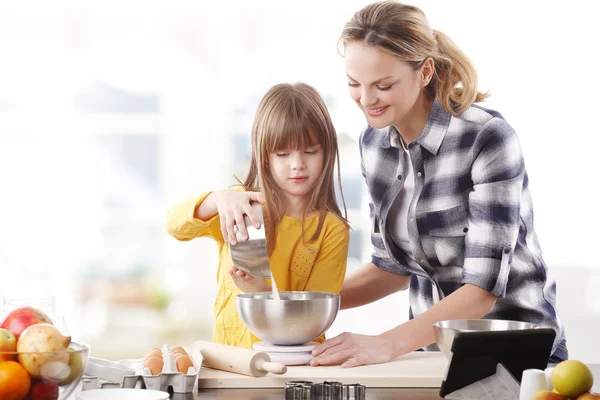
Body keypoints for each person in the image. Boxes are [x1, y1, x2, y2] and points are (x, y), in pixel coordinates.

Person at [310, 0, 566, 368]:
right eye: (354, 84)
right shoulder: (375, 145)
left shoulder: (487, 138)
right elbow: (391, 267)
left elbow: (481, 292)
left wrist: (385, 344)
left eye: (383, 85)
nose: (366, 100)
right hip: (434, 356)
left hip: (517, 353)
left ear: (425, 71)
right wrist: (304, 305)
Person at [166, 82, 350, 349]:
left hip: (297, 365)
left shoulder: (331, 230)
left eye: (310, 151)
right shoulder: (238, 207)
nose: (297, 164)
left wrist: (261, 295)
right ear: (265, 156)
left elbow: (313, 318)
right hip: (233, 358)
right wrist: (217, 200)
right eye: (283, 153)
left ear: (327, 151)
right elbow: (174, 225)